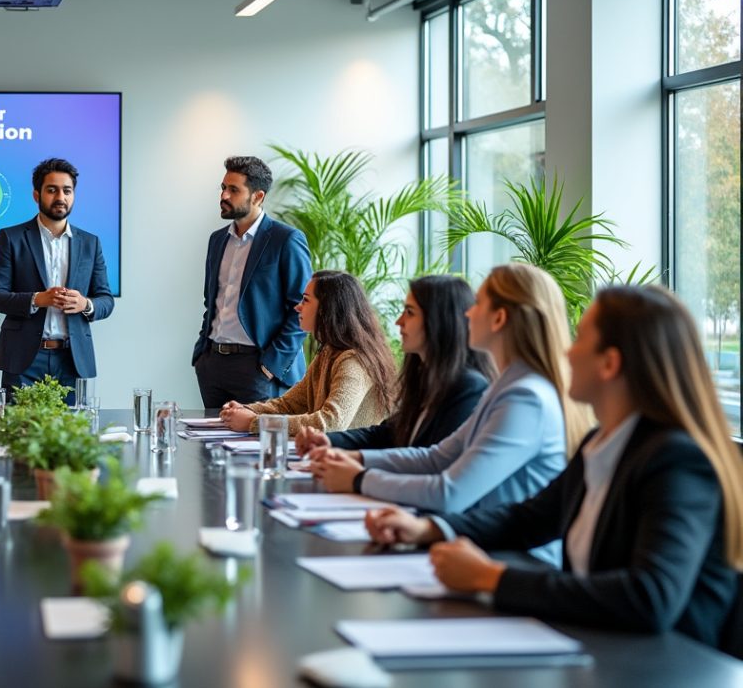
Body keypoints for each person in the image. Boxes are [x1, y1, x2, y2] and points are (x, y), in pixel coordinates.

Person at [364, 285, 743, 649]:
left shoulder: (678, 461)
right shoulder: (603, 442)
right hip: (605, 648)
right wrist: (428, 528)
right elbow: (528, 519)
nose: (567, 351)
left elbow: (650, 596)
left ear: (610, 363)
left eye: (580, 340)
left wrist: (491, 577)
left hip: (668, 665)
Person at [309, 264, 590, 563]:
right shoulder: (507, 386)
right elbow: (437, 457)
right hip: (483, 546)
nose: (468, 313)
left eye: (478, 303)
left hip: (513, 560)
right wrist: (359, 460)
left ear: (499, 318)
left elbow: (449, 492)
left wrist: (359, 479)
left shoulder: (526, 398)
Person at [301, 275, 496, 451]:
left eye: (409, 312)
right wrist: (328, 440)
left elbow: (430, 462)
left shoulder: (468, 387)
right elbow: (387, 434)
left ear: (439, 320)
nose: (399, 321)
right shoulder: (425, 378)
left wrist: (358, 467)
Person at [0, 157, 115, 397]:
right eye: (52, 190)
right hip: (23, 360)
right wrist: (37, 299)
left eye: (67, 191)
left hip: (73, 360)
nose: (60, 197)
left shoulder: (90, 243)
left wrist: (85, 304)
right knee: (19, 422)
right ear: (37, 195)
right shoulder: (11, 238)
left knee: (74, 423)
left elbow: (106, 300)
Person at [193, 155, 312, 409]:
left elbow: (303, 309)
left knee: (258, 437)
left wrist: (272, 365)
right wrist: (202, 355)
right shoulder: (217, 240)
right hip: (213, 366)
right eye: (223, 187)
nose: (224, 195)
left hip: (258, 369)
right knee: (211, 435)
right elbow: (211, 302)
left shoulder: (286, 239)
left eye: (233, 190)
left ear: (258, 197)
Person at [220, 270, 395, 436]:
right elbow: (289, 405)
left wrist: (255, 422)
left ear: (326, 308)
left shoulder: (354, 361)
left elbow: (331, 422)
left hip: (347, 456)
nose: (298, 307)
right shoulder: (328, 352)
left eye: (305, 300)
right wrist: (246, 410)